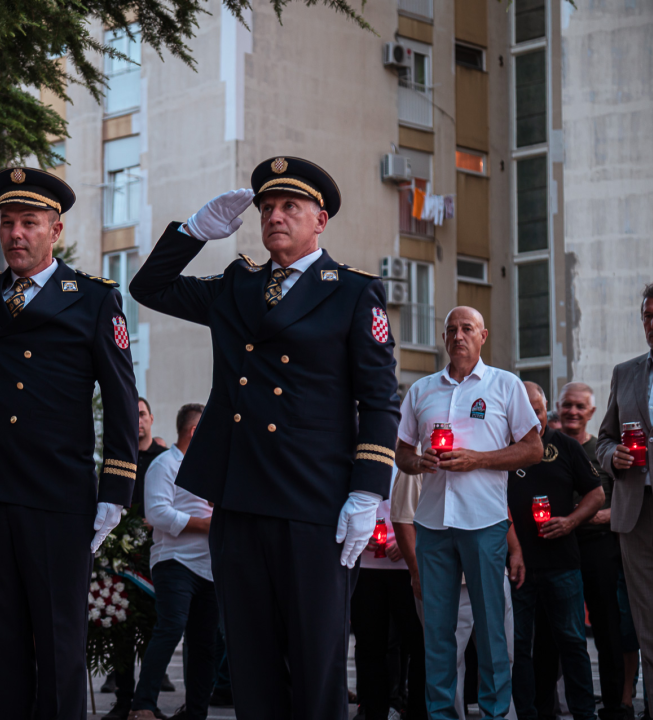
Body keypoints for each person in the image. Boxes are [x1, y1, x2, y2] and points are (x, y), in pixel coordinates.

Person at [130, 157, 401, 717]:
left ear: (319, 219)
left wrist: (367, 491)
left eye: (290, 207)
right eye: (268, 208)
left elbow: (379, 400)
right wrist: (194, 232)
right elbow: (149, 287)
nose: (275, 216)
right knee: (251, 664)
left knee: (314, 659)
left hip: (314, 501)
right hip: (240, 498)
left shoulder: (352, 292)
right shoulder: (237, 285)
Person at [0, 167, 138, 718]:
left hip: (56, 493)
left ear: (55, 231)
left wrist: (115, 487)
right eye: (7, 222)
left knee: (59, 640)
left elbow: (120, 397)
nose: (16, 234)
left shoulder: (90, 299)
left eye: (30, 223)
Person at [395, 306, 542, 720]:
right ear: (444, 339)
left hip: (484, 522)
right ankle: (442, 714)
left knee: (493, 630)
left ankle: (497, 714)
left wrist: (478, 459)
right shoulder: (421, 390)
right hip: (433, 523)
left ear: (483, 336)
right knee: (438, 635)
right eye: (451, 330)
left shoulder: (505, 386)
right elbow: (403, 451)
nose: (458, 336)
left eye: (467, 329)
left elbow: (531, 448)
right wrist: (416, 462)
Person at [507, 381, 603, 720]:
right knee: (518, 648)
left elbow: (596, 494)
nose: (532, 417)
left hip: (562, 562)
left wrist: (571, 521)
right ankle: (526, 714)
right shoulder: (502, 447)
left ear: (546, 410)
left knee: (573, 643)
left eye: (537, 409)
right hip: (515, 567)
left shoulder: (564, 445)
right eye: (524, 410)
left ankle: (584, 714)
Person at [127, 403, 216, 720]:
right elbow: (158, 514)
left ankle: (195, 712)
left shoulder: (213, 466)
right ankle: (143, 705)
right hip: (174, 561)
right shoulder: (164, 465)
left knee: (207, 642)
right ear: (195, 431)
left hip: (210, 567)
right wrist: (206, 524)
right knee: (171, 627)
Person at [597, 283, 653, 720]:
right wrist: (612, 457)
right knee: (647, 625)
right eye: (647, 316)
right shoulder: (626, 372)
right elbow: (605, 438)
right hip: (638, 514)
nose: (652, 324)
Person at [557, 381, 630, 720]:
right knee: (561, 632)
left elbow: (628, 500)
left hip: (599, 545)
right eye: (567, 405)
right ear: (558, 407)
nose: (572, 411)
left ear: (592, 412)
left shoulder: (601, 451)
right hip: (557, 547)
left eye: (579, 406)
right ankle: (567, 704)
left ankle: (614, 705)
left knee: (606, 627)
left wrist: (604, 514)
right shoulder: (546, 448)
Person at [103, 397, 170, 716]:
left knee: (157, 626)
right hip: (123, 557)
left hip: (158, 553)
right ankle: (124, 698)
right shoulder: (118, 458)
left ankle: (148, 701)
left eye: (142, 415)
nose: (137, 421)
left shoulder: (165, 458)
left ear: (152, 419)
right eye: (132, 416)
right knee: (122, 626)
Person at [351, 467, 426, 720]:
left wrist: (409, 543)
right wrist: (360, 535)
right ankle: (373, 709)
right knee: (369, 644)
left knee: (418, 643)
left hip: (408, 565)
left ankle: (415, 711)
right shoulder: (358, 451)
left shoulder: (411, 450)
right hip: (366, 564)